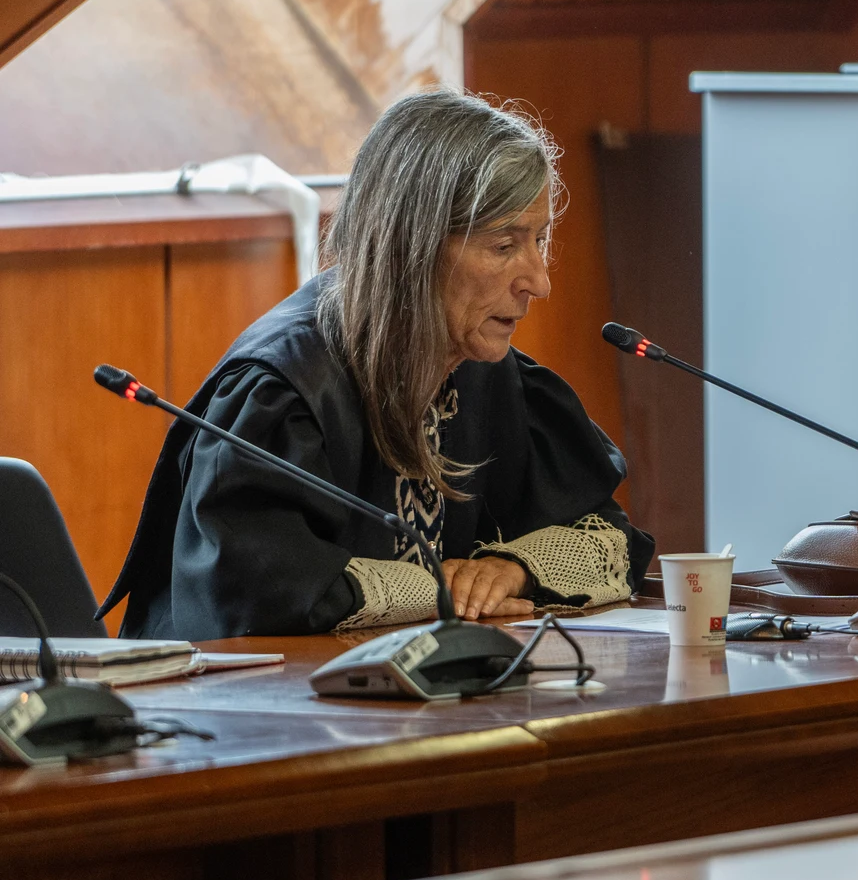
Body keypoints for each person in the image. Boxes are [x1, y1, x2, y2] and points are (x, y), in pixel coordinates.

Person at [101, 90, 655, 640]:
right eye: (504, 246)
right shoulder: (285, 391)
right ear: (412, 246)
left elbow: (605, 535)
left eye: (541, 239)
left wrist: (512, 570)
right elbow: (254, 592)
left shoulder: (487, 372)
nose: (539, 281)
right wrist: (437, 588)